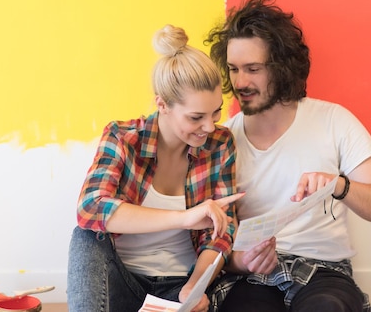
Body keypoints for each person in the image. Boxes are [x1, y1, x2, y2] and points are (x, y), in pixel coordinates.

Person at [204, 0, 371, 312]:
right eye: (233, 69)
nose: (240, 82)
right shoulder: (224, 139)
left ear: (281, 68)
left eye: (252, 69)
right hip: (253, 278)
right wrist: (241, 262)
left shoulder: (333, 120)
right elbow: (210, 240)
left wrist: (338, 185)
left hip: (325, 272)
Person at [67, 24, 243, 312]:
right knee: (85, 235)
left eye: (216, 112)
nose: (209, 126)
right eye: (196, 117)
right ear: (162, 104)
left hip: (179, 286)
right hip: (120, 281)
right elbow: (90, 208)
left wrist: (194, 286)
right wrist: (184, 218)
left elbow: (222, 232)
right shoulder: (123, 138)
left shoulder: (220, 143)